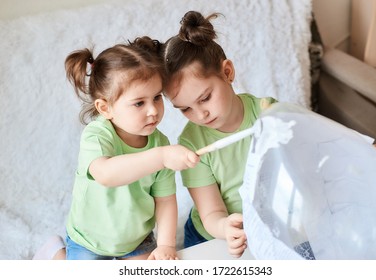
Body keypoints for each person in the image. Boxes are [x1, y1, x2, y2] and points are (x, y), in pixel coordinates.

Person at [34, 37, 199, 260]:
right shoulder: (97, 136)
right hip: (89, 240)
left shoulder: (160, 144)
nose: (153, 110)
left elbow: (166, 200)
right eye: (139, 103)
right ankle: (56, 254)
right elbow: (107, 174)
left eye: (157, 97)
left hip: (136, 239)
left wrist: (166, 245)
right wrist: (161, 157)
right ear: (105, 108)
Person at [161, 11, 278, 258]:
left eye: (204, 98)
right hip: (213, 234)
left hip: (268, 226)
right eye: (185, 109)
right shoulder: (192, 144)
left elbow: (307, 153)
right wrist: (225, 227)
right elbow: (211, 213)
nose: (200, 114)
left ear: (227, 72)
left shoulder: (269, 112)